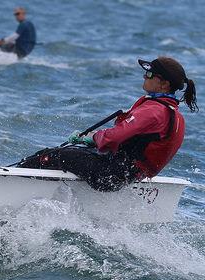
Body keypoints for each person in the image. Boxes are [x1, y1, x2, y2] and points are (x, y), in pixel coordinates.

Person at [16, 56, 198, 192]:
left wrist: (92, 137)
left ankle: (12, 181)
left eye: (150, 74)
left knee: (51, 156)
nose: (145, 76)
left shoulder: (154, 111)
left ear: (164, 84)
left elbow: (116, 136)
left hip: (110, 175)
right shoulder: (173, 113)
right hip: (125, 176)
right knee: (69, 155)